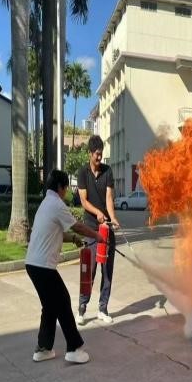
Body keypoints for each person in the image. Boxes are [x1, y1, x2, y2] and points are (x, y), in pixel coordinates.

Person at [25, 169, 109, 364]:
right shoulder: (56, 204)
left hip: (33, 264)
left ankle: (43, 348)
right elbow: (77, 225)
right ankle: (74, 348)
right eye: (66, 188)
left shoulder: (46, 204)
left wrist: (72, 239)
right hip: (43, 267)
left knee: (50, 306)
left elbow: (55, 231)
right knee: (62, 301)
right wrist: (97, 236)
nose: (66, 193)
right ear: (60, 187)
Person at [76, 135, 120, 325]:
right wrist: (98, 213)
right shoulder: (82, 173)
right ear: (90, 154)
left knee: (107, 271)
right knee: (89, 271)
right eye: (96, 155)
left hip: (105, 229)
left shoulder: (107, 171)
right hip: (90, 230)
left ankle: (103, 309)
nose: (99, 158)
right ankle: (82, 308)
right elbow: (84, 201)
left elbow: (109, 198)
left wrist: (112, 217)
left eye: (101, 154)